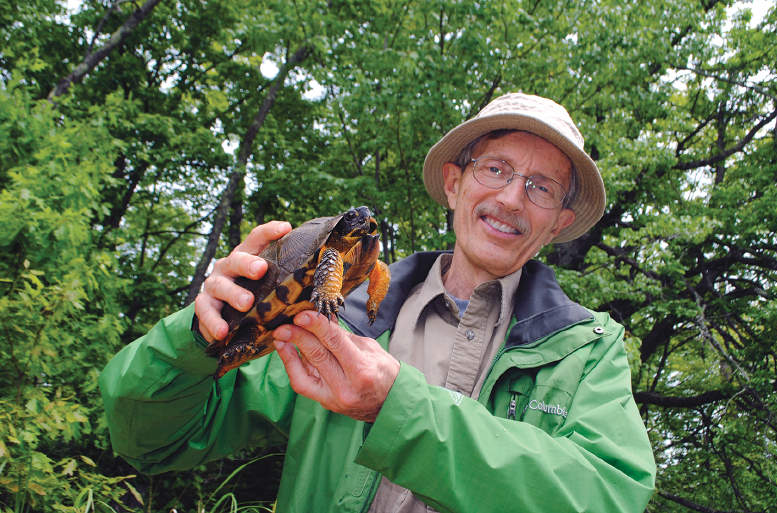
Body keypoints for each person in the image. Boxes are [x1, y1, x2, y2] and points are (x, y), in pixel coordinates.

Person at [100, 93, 657, 513]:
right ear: (453, 183)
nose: (512, 197)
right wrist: (200, 334)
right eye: (496, 169)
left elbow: (609, 496)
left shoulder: (585, 351)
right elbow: (148, 439)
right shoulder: (340, 314)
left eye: (541, 187)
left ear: (559, 221)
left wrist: (397, 409)